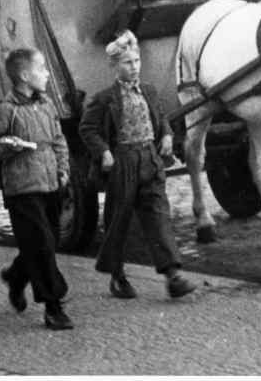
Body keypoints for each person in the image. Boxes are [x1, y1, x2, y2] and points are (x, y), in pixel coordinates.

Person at [79, 30, 196, 300]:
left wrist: (166, 134)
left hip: (150, 160)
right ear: (114, 66)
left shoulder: (150, 91)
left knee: (158, 215)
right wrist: (104, 151)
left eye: (137, 61)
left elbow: (161, 116)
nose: (134, 67)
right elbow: (87, 128)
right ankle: (117, 275)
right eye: (127, 63)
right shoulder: (105, 98)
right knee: (120, 221)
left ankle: (173, 276)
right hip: (123, 164)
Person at [0, 49, 73, 331]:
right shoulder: (5, 110)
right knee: (42, 244)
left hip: (49, 184)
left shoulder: (46, 105)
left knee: (47, 241)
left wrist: (63, 168)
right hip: (22, 189)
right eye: (41, 68)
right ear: (24, 76)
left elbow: (58, 140)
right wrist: (9, 145)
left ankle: (17, 276)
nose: (46, 73)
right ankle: (53, 306)